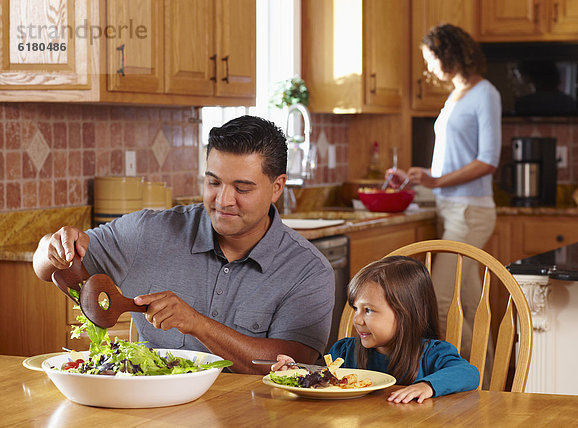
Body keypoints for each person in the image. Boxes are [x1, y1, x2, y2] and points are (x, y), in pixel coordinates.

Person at [33, 115, 335, 374]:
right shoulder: (148, 232)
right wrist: (53, 248)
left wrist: (195, 323)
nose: (223, 201)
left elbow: (294, 364)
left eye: (242, 188)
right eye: (213, 183)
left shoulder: (308, 270)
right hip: (152, 411)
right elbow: (49, 269)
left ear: (277, 187)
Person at [386, 24, 501, 363]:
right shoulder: (456, 94)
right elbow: (455, 159)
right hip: (449, 207)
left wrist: (437, 182)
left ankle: (463, 378)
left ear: (448, 54)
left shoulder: (485, 93)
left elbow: (487, 161)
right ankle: (490, 380)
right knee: (467, 302)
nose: (429, 68)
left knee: (439, 299)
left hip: (470, 211)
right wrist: (421, 179)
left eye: (431, 59)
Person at [272, 256, 479, 404]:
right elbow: (326, 379)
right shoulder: (345, 352)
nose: (357, 319)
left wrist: (428, 386)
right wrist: (297, 371)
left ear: (405, 313)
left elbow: (469, 373)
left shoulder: (432, 353)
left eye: (368, 310)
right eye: (356, 308)